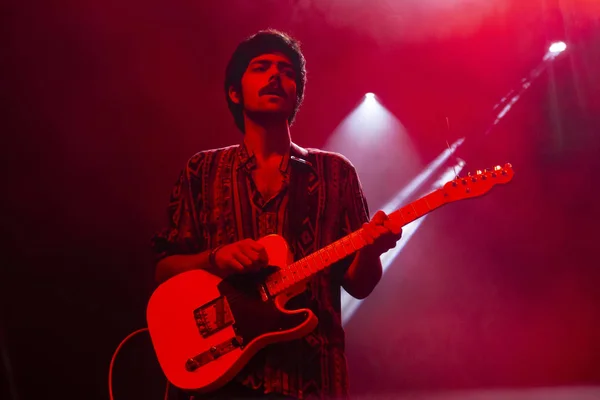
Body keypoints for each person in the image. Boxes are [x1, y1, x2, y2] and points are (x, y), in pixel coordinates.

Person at [151, 29, 403, 400]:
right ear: (234, 92)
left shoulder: (336, 172)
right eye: (260, 67)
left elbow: (359, 285)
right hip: (221, 378)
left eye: (286, 71)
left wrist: (371, 249)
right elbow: (163, 271)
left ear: (296, 93)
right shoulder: (201, 171)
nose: (275, 76)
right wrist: (215, 258)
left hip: (310, 377)